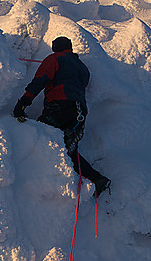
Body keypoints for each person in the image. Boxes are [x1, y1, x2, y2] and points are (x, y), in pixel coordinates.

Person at [13, 36, 111, 198]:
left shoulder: (54, 58)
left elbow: (40, 80)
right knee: (68, 150)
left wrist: (23, 102)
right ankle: (97, 179)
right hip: (79, 114)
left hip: (59, 107)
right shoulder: (83, 67)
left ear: (55, 47)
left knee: (40, 137)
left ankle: (45, 185)